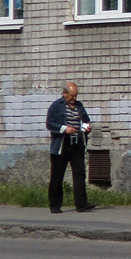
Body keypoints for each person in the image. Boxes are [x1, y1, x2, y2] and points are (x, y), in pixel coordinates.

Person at [46, 81, 95, 214]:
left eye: (76, 95)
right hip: (61, 145)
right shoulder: (56, 106)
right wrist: (64, 129)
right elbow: (50, 124)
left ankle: (82, 204)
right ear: (64, 93)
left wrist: (86, 127)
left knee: (80, 173)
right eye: (72, 96)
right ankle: (55, 205)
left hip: (77, 143)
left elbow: (85, 120)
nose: (74, 98)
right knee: (57, 175)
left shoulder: (79, 105)